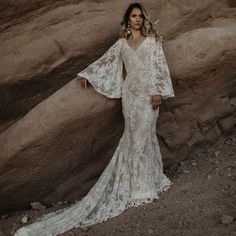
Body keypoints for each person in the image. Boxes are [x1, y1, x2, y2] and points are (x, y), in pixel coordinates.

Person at [14, 2, 175, 236]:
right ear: (127, 20)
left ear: (144, 19)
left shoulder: (153, 42)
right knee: (133, 138)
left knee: (145, 135)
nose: (138, 19)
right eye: (133, 16)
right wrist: (87, 74)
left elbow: (159, 67)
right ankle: (139, 188)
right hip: (129, 97)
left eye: (140, 16)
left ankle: (148, 181)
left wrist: (157, 91)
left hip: (148, 96)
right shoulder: (121, 44)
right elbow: (106, 62)